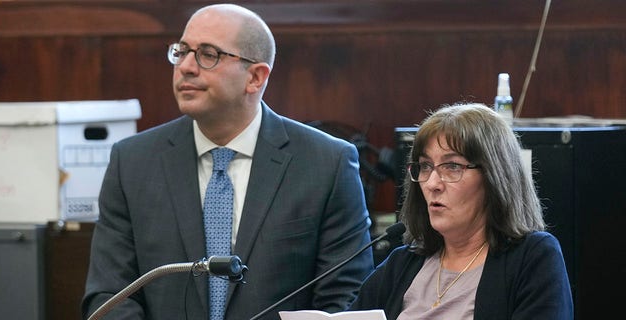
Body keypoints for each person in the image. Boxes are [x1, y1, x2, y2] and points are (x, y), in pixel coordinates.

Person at [81, 3, 374, 320]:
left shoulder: (326, 163)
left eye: (208, 54)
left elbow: (345, 299)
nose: (186, 67)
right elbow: (109, 294)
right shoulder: (132, 162)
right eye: (181, 51)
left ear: (255, 77)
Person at [349, 103, 573, 319]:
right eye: (426, 166)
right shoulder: (402, 264)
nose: (432, 183)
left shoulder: (533, 258)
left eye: (452, 166)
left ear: (494, 177)